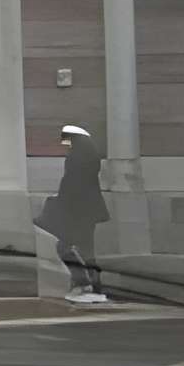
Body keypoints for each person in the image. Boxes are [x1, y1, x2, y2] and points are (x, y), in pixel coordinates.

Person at [41, 123, 109, 304]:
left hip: (76, 209)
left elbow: (70, 184)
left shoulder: (76, 158)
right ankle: (93, 286)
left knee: (64, 247)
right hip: (89, 210)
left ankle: (82, 283)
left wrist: (60, 200)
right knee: (86, 250)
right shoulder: (90, 156)